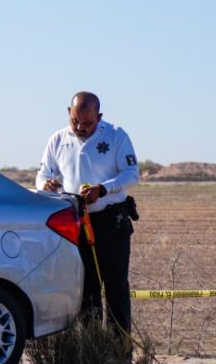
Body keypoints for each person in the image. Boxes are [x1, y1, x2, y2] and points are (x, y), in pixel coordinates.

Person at [36, 92, 140, 333]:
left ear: (99, 116)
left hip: (110, 220)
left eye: (87, 123)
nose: (80, 127)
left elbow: (131, 173)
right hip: (75, 222)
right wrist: (46, 184)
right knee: (85, 287)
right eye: (75, 121)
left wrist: (103, 189)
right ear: (68, 113)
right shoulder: (58, 140)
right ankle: (91, 347)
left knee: (115, 286)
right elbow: (42, 174)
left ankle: (118, 351)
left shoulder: (116, 136)